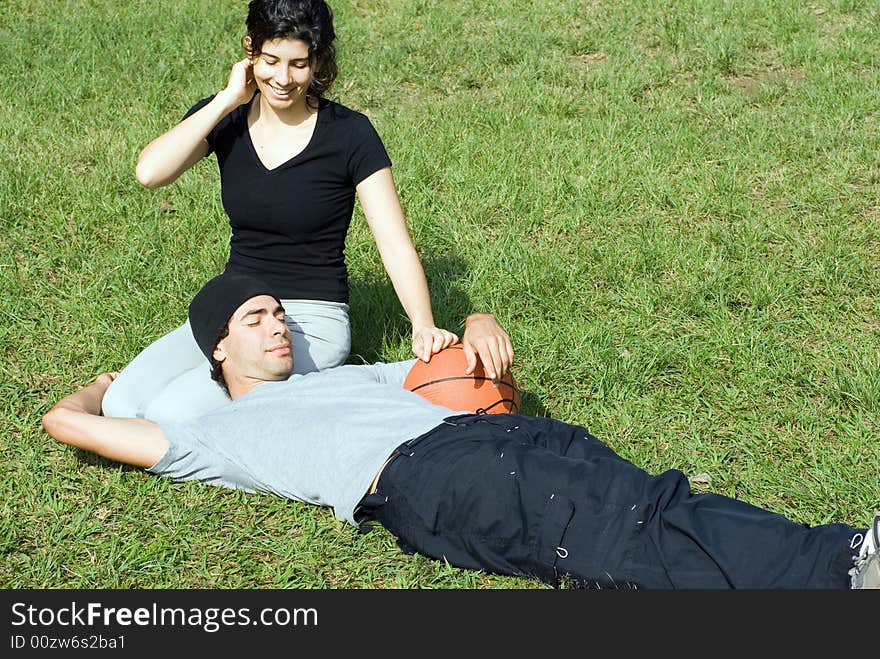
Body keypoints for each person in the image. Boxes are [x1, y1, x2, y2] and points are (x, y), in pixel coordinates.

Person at [42, 272, 879, 589]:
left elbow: (447, 359)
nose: (278, 326)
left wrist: (477, 317)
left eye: (279, 313)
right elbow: (65, 422)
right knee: (623, 544)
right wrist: (109, 384)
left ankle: (844, 557)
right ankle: (836, 578)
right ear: (218, 346)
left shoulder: (344, 374)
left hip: (505, 439)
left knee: (657, 502)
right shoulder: (215, 435)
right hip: (427, 479)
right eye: (256, 318)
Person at [102, 0, 506, 425]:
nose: (282, 78)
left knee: (170, 415)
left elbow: (394, 243)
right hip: (236, 309)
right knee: (121, 406)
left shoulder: (350, 134)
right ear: (250, 52)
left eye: (298, 64)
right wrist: (225, 100)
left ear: (318, 62)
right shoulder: (228, 117)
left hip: (312, 318)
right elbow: (149, 173)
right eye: (270, 60)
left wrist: (422, 323)